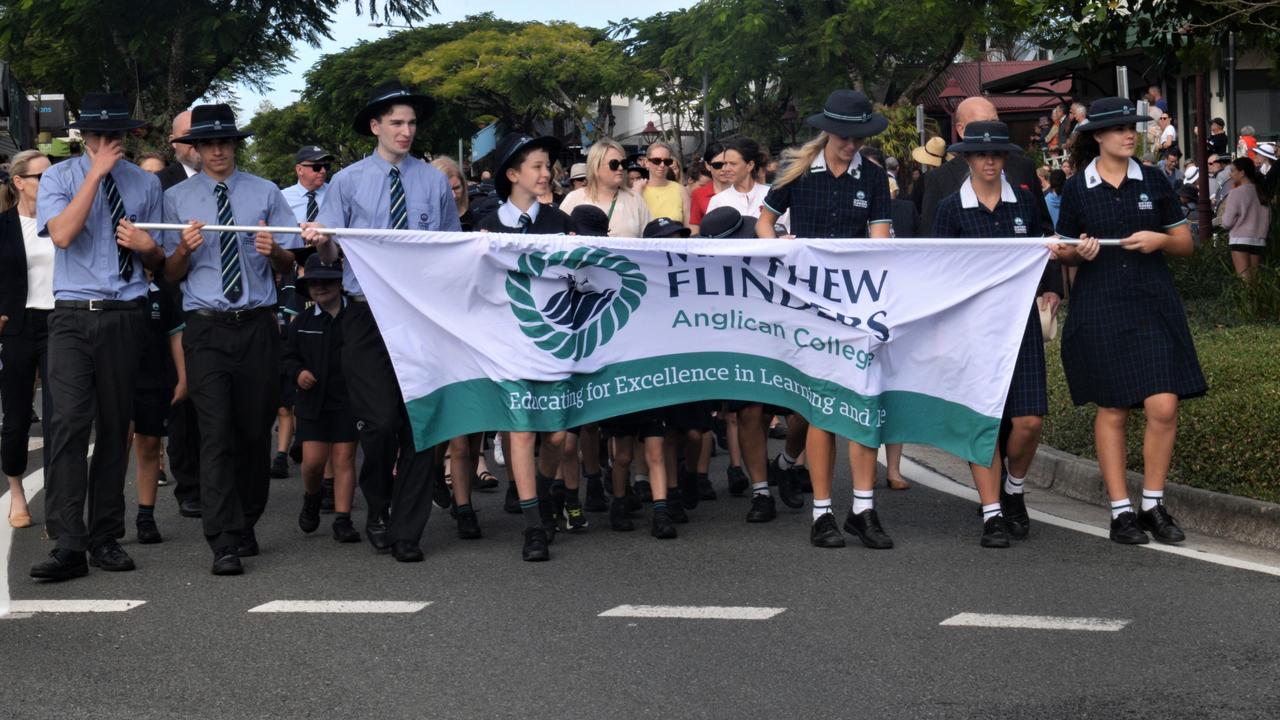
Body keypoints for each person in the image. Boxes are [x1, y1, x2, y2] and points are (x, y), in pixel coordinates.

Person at [303, 79, 462, 564]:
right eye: (396, 122)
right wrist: (320, 242)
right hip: (366, 316)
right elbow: (331, 249)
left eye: (411, 123)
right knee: (379, 424)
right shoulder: (348, 181)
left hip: (419, 317)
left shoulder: (433, 181)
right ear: (376, 126)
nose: (406, 131)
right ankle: (377, 508)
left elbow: (450, 249)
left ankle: (407, 530)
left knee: (420, 424)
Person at [1050, 97, 1206, 546]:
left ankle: (1153, 505)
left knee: (1164, 405)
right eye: (1118, 128)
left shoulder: (1154, 178)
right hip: (1099, 303)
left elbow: (1185, 244)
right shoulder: (1078, 187)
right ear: (1097, 135)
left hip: (1152, 302)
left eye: (1132, 127)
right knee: (1113, 407)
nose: (1128, 134)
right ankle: (1121, 513)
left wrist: (1160, 239)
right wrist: (1078, 251)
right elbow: (1061, 249)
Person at [30, 92, 166, 581]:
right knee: (66, 423)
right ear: (84, 136)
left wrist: (149, 248)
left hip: (126, 313)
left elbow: (161, 262)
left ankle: (105, 535)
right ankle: (68, 543)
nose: (108, 142)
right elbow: (63, 234)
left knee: (116, 425)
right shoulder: (58, 177)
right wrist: (94, 175)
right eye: (99, 134)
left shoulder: (146, 184)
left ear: (128, 135)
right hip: (70, 313)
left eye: (116, 134)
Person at [161, 103, 299, 575]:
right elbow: (169, 272)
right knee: (215, 432)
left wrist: (274, 250)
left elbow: (289, 265)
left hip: (258, 324)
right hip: (207, 328)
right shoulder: (177, 199)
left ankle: (246, 521)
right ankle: (221, 539)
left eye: (225, 142)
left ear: (235, 146)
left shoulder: (265, 192)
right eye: (209, 143)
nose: (218, 150)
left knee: (252, 430)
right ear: (195, 149)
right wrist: (182, 249)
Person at [756, 89, 894, 549]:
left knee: (860, 405)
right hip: (808, 305)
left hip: (855, 306)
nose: (853, 144)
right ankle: (821, 513)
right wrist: (779, 245)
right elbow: (764, 222)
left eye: (860, 137)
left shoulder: (873, 179)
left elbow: (878, 241)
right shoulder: (796, 171)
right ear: (829, 131)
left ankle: (863, 508)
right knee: (820, 410)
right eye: (847, 137)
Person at [933, 121, 1051, 547]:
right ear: (967, 157)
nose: (989, 161)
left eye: (997, 154)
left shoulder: (1024, 200)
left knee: (1029, 421)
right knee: (982, 421)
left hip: (1019, 324)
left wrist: (1053, 284)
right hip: (972, 329)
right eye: (981, 154)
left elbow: (1047, 245)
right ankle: (991, 513)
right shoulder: (950, 208)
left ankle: (1014, 490)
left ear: (1005, 158)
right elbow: (939, 271)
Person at [475, 132, 576, 556]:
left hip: (554, 342)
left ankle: (547, 491)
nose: (545, 173)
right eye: (536, 166)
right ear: (512, 174)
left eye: (547, 166)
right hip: (506, 343)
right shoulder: (485, 226)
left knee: (555, 436)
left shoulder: (560, 222)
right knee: (520, 429)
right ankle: (533, 524)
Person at [284, 254, 360, 543]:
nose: (320, 287)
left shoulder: (355, 317)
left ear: (340, 283)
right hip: (312, 401)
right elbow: (287, 356)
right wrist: (298, 371)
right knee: (314, 461)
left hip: (347, 400)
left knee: (344, 458)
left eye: (327, 281)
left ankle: (343, 519)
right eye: (313, 283)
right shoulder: (301, 322)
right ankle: (312, 497)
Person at [271, 145, 334, 480]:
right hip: (291, 275)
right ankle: (294, 428)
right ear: (299, 169)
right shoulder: (281, 197)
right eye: (315, 166)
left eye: (325, 166)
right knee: (296, 340)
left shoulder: (335, 196)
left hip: (329, 271)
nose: (322, 171)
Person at [0, 150, 53, 530]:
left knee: (61, 417)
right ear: (19, 182)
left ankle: (59, 502)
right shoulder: (2, 227)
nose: (48, 182)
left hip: (60, 323)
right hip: (16, 326)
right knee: (16, 419)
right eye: (40, 176)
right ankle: (16, 491)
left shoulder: (61, 222)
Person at [919, 96, 1056, 239]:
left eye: (995, 122)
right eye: (983, 123)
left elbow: (1043, 231)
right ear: (961, 129)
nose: (991, 129)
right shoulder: (939, 179)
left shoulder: (1023, 167)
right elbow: (931, 242)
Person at [131, 273, 186, 544]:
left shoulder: (160, 296)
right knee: (116, 447)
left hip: (154, 381)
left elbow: (175, 336)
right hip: (120, 379)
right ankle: (109, 515)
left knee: (150, 445)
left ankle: (146, 516)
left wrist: (183, 378)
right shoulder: (117, 293)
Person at [558, 138, 651, 237]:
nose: (620, 168)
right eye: (614, 164)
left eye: (623, 163)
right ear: (596, 167)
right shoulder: (574, 198)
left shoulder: (635, 200)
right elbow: (558, 240)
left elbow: (650, 243)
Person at [707, 137, 789, 233]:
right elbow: (711, 238)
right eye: (725, 163)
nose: (726, 169)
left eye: (733, 164)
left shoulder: (773, 195)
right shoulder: (718, 201)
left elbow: (785, 230)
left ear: (750, 165)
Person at [1218, 157, 1271, 281]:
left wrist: (1221, 220)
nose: (1231, 174)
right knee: (1254, 280)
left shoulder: (1235, 193)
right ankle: (1256, 301)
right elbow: (1269, 218)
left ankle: (1247, 301)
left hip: (1239, 240)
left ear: (1242, 173)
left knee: (1244, 280)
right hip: (1259, 240)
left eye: (1233, 170)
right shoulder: (1261, 191)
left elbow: (1227, 222)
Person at [640, 140, 690, 224]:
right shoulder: (638, 190)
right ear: (646, 162)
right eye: (657, 161)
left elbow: (690, 226)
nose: (662, 165)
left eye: (667, 162)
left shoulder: (681, 190)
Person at [688, 142, 730, 234]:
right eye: (717, 165)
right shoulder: (698, 194)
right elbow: (694, 227)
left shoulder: (741, 189)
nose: (724, 169)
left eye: (727, 164)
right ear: (708, 166)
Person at [157, 110, 201, 191]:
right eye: (188, 134)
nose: (196, 140)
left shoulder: (227, 177)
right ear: (173, 141)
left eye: (202, 134)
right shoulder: (158, 183)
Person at [431, 156, 474, 230]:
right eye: (445, 190)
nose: (453, 196)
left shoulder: (477, 218)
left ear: (463, 186)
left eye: (457, 188)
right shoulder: (417, 220)